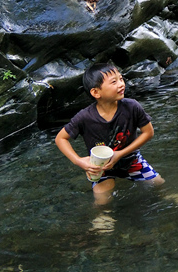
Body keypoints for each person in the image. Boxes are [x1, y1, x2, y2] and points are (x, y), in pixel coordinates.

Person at [55, 62, 164, 205]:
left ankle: (167, 197)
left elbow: (148, 133)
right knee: (102, 202)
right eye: (114, 82)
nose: (121, 84)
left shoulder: (132, 107)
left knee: (159, 185)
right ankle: (102, 220)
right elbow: (60, 138)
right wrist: (79, 161)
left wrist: (120, 153)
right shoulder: (85, 117)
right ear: (96, 92)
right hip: (101, 168)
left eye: (121, 79)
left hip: (130, 159)